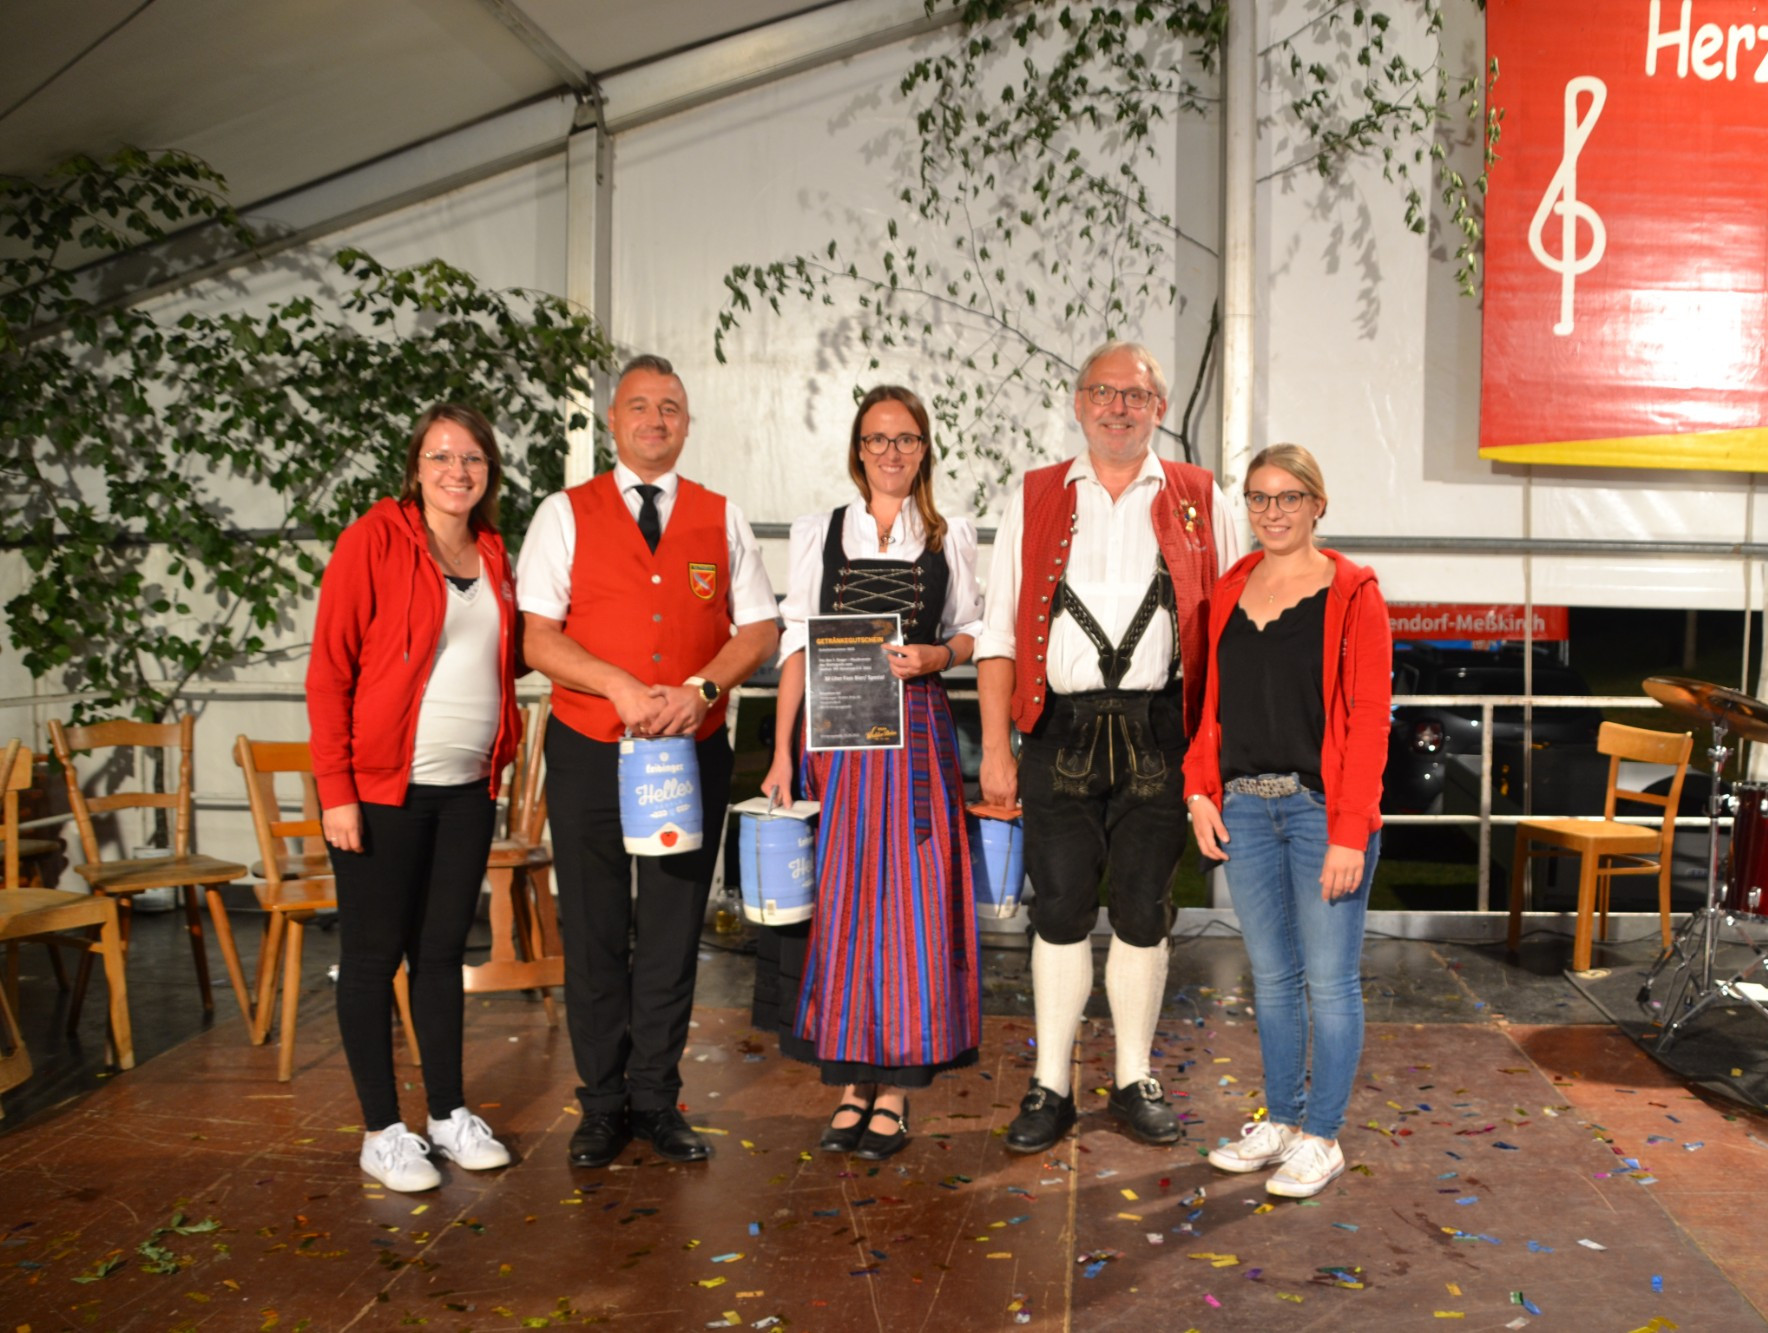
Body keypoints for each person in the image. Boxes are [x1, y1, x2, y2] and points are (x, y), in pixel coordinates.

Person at [976, 340, 1238, 1153]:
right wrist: (996, 748)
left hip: (1162, 729)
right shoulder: (1034, 495)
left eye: (1135, 394)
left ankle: (1132, 1076)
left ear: (1160, 407)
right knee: (1057, 907)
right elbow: (998, 631)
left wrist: (1214, 755)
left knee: (1143, 907)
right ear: (1079, 402)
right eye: (1103, 392)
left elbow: (1230, 633)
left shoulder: (1204, 496)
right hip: (1059, 727)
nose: (1118, 407)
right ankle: (1050, 1083)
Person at [518, 355, 780, 1168]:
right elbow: (537, 638)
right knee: (595, 926)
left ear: (687, 423)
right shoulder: (563, 513)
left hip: (688, 753)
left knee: (670, 930)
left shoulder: (721, 515)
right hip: (591, 749)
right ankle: (601, 1105)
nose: (655, 420)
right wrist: (616, 684)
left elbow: (759, 629)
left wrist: (703, 688)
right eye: (639, 405)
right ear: (613, 421)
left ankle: (658, 1098)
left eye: (670, 407)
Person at [754, 385, 985, 1161]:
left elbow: (974, 632)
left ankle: (896, 1089)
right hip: (839, 740)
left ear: (924, 450)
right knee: (845, 902)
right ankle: (853, 1083)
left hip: (916, 737)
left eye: (906, 438)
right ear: (858, 449)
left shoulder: (949, 536)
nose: (892, 451)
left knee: (912, 905)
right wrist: (781, 752)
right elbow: (795, 645)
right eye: (878, 438)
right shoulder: (820, 531)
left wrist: (937, 655)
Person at [307, 403, 523, 1193]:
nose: (457, 471)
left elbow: (508, 655)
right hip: (381, 790)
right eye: (441, 456)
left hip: (467, 790)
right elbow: (329, 671)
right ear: (415, 467)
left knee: (441, 956)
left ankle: (446, 1114)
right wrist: (337, 790)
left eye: (472, 458)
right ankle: (381, 1131)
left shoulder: (493, 551)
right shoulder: (373, 539)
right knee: (373, 958)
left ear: (489, 471)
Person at [1185, 444, 1391, 1199]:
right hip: (1243, 807)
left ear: (1317, 503)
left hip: (1318, 814)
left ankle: (1322, 1136)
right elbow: (1207, 703)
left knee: (1329, 983)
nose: (1272, 511)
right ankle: (1281, 1120)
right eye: (1259, 497)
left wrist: (1349, 830)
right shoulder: (1229, 588)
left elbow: (1369, 718)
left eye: (1289, 497)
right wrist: (1199, 792)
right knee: (1272, 980)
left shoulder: (1354, 592)